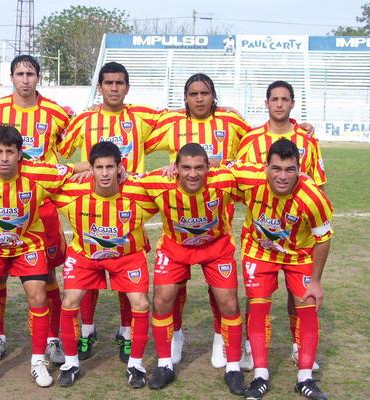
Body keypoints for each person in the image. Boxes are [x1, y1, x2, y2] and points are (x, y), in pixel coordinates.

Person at [0, 126, 86, 388]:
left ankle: (38, 360)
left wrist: (102, 168)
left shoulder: (38, 173)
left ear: (20, 154)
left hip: (28, 245)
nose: (4, 158)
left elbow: (75, 167)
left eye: (10, 152)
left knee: (38, 294)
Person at [57, 61, 164, 363]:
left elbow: (180, 119)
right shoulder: (85, 120)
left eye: (119, 83)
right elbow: (58, 149)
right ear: (100, 87)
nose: (114, 88)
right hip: (92, 205)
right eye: (108, 83)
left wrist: (224, 112)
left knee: (126, 273)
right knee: (88, 270)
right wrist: (83, 170)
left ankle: (126, 332)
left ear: (127, 87)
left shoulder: (141, 116)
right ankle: (87, 331)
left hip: (129, 206)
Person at [145, 72, 252, 368]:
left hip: (217, 221)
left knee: (220, 289)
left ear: (213, 96)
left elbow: (260, 140)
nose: (199, 98)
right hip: (178, 220)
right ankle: (175, 334)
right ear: (185, 98)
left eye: (205, 93)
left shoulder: (231, 122)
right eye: (193, 94)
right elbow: (136, 141)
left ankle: (222, 336)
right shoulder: (172, 123)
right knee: (172, 288)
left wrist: (300, 129)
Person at [0, 54, 73, 364]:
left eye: (30, 73)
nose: (25, 79)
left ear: (38, 77)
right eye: (20, 73)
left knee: (47, 276)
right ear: (11, 77)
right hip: (2, 204)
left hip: (42, 206)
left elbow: (69, 150)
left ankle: (54, 339)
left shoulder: (57, 113)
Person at [130, 143, 245, 394]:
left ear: (208, 168)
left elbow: (256, 173)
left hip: (216, 247)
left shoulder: (223, 179)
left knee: (229, 303)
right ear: (176, 168)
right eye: (186, 168)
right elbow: (125, 179)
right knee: (162, 300)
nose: (193, 174)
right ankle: (164, 364)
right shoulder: (159, 181)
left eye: (199, 168)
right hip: (175, 248)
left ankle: (233, 366)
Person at [231, 138, 333, 400]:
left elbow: (323, 238)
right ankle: (260, 376)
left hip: (299, 256)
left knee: (307, 309)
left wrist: (316, 281)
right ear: (265, 167)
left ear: (299, 169)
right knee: (258, 307)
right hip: (260, 251)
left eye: (290, 170)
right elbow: (214, 167)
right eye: (276, 168)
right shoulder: (248, 177)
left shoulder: (313, 197)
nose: (282, 176)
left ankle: (305, 378)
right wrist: (174, 169)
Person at [236, 80, 326, 372]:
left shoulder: (307, 140)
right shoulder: (250, 141)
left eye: (284, 99)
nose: (278, 104)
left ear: (292, 103)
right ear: (266, 103)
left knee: (296, 294)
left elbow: (317, 186)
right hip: (261, 237)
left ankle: (299, 345)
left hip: (297, 239)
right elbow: (242, 182)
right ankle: (251, 348)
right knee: (256, 296)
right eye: (273, 99)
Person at [53, 141, 158, 389]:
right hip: (85, 256)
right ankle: (70, 363)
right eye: (98, 167)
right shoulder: (72, 191)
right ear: (91, 168)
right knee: (69, 301)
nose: (104, 173)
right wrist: (73, 169)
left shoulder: (137, 190)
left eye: (110, 167)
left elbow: (168, 184)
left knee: (141, 303)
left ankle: (136, 365)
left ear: (119, 167)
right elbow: (43, 175)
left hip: (127, 256)